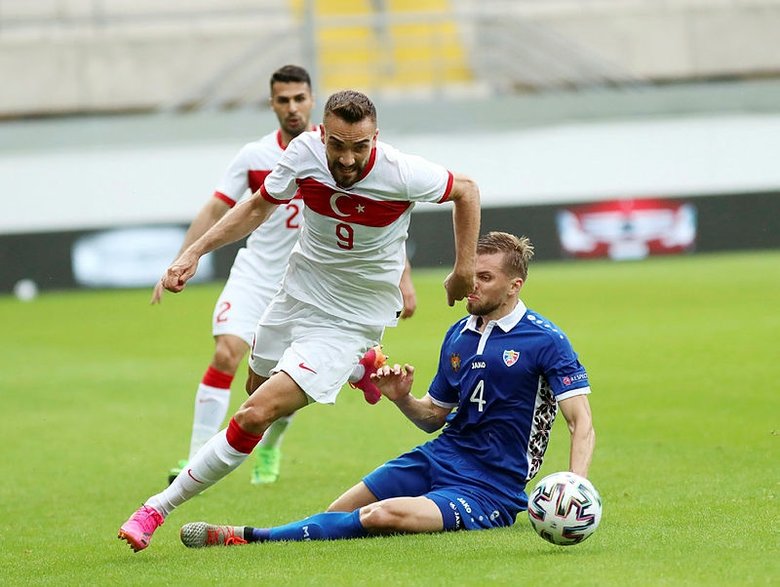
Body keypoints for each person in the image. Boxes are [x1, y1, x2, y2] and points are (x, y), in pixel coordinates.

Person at [117, 89, 481, 553]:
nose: (347, 159)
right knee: (254, 388)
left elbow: (466, 190)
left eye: (359, 147)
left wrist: (463, 268)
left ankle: (155, 509)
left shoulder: (401, 171)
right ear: (322, 134)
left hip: (351, 317)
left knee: (255, 414)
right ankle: (360, 368)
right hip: (295, 294)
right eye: (338, 145)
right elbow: (256, 207)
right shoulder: (303, 153)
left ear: (376, 138)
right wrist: (194, 252)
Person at [174, 232, 595, 547]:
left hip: (490, 488)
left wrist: (576, 488)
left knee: (378, 516)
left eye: (485, 278)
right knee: (339, 512)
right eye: (470, 274)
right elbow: (433, 417)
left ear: (514, 285)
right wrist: (401, 397)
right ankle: (270, 536)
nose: (472, 284)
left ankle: (246, 536)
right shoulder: (459, 335)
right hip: (439, 456)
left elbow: (581, 422)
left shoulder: (545, 340)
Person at [155, 65, 418, 487]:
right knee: (227, 354)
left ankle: (272, 442)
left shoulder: (344, 155)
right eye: (283, 100)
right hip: (258, 274)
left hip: (314, 282)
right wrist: (184, 257)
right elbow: (218, 208)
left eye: (299, 99)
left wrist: (403, 278)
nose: (292, 107)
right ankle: (196, 454)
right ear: (272, 104)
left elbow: (374, 230)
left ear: (312, 101)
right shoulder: (255, 156)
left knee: (284, 382)